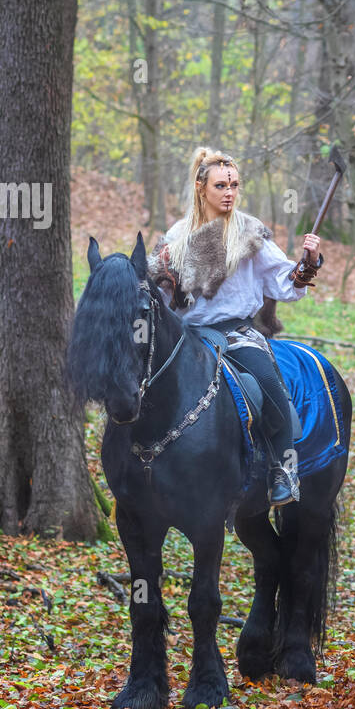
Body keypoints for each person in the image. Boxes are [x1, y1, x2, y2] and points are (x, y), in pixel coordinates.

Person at [146, 147, 322, 506]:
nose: (229, 192)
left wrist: (309, 262)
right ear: (201, 189)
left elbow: (284, 280)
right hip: (187, 337)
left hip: (238, 335)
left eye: (234, 185)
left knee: (271, 384)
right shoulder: (178, 236)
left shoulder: (250, 231)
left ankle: (282, 468)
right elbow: (163, 296)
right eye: (221, 186)